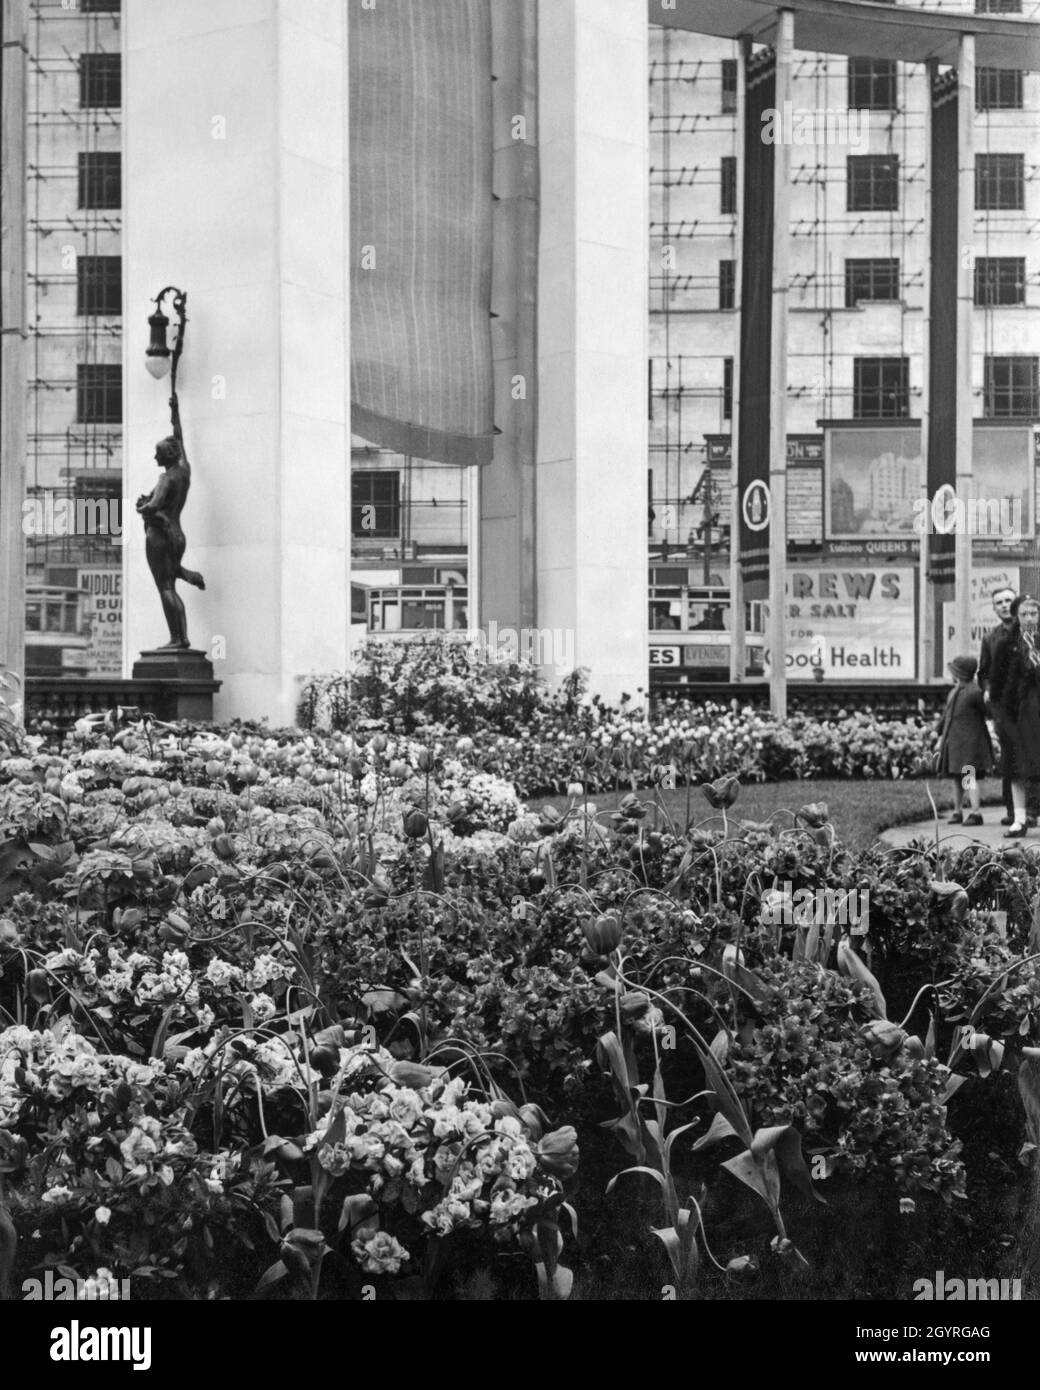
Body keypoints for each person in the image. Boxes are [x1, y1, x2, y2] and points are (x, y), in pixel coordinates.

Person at [136, 433, 205, 649]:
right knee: (169, 578)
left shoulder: (165, 479)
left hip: (159, 536)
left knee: (165, 587)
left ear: (167, 455)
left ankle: (178, 638)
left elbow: (153, 506)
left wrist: (140, 507)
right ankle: (187, 574)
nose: (155, 458)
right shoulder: (184, 471)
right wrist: (175, 413)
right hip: (177, 534)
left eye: (158, 454)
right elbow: (180, 436)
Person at [988, 595, 1040, 838]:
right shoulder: (1007, 645)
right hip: (1017, 718)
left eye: (1034, 613)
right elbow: (996, 686)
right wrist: (1001, 719)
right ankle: (1019, 819)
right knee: (1017, 769)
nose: (1030, 618)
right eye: (1024, 614)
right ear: (1017, 617)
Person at [978, 586, 1019, 826]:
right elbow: (984, 672)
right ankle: (1013, 810)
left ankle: (1030, 810)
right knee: (1009, 757)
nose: (1004, 605)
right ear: (994, 608)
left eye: (1008, 600)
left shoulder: (1030, 632)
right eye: (999, 602)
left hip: (1029, 706)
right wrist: (987, 690)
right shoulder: (990, 638)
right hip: (1003, 707)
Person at [935, 654, 992, 826]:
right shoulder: (955, 692)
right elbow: (947, 715)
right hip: (955, 743)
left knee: (968, 776)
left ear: (961, 674)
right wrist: (938, 732)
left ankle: (976, 813)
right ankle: (957, 810)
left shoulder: (974, 692)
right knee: (956, 778)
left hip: (970, 743)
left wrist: (987, 701)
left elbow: (986, 712)